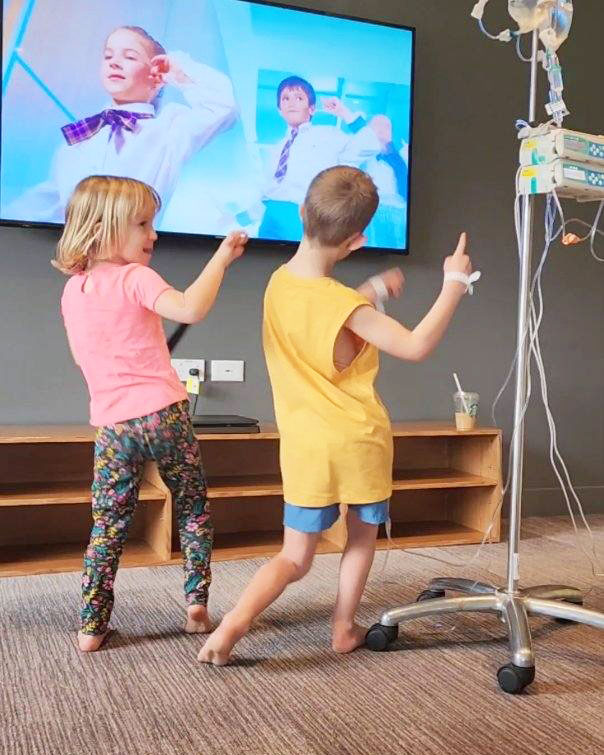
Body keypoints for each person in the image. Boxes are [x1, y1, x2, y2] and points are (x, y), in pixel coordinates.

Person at [198, 166, 475, 665]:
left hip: (305, 447)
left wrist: (371, 291)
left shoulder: (278, 284)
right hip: (358, 443)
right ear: (357, 240)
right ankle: (343, 628)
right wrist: (454, 283)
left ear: (302, 212)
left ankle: (232, 625)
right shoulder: (347, 305)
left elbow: (325, 322)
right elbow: (413, 345)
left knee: (294, 557)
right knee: (360, 538)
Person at [53, 174, 247, 651]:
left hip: (114, 425)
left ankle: (91, 628)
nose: (153, 234)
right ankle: (196, 607)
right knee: (193, 506)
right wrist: (221, 258)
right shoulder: (137, 277)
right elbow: (190, 308)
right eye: (142, 224)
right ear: (103, 228)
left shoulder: (73, 293)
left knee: (108, 523)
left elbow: (84, 360)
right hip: (164, 414)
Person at [7, 26, 236, 224]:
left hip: (132, 263)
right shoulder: (81, 136)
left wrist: (177, 69)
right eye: (108, 56)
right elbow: (48, 199)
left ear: (157, 77)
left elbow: (223, 107)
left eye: (130, 57)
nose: (115, 62)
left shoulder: (170, 128)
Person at [255, 75, 383, 241]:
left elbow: (370, 144)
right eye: (285, 98)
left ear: (312, 109)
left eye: (299, 98)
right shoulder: (276, 148)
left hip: (306, 216)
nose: (291, 103)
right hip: (270, 217)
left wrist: (344, 112)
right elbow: (267, 189)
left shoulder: (328, 135)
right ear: (280, 109)